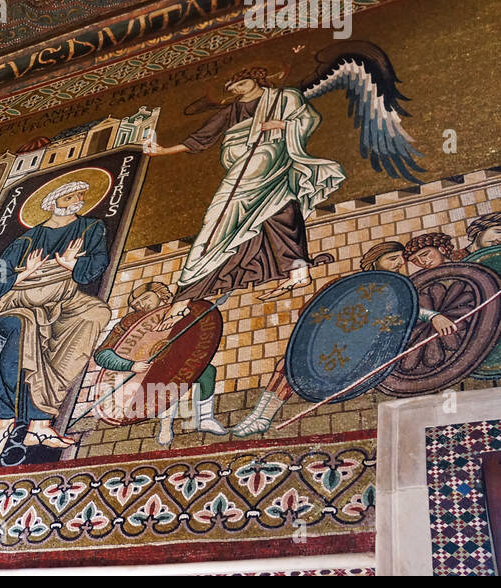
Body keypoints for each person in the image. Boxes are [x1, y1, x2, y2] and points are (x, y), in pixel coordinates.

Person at [0, 179, 110, 467]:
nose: (78, 199)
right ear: (53, 202)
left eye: (81, 194)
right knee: (19, 326)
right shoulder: (23, 242)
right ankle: (4, 424)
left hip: (64, 301)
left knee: (96, 313)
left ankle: (39, 426)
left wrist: (70, 265)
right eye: (70, 195)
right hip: (20, 303)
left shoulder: (91, 229)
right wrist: (25, 273)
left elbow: (96, 265)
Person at [144, 66, 345, 300]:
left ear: (257, 78)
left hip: (270, 155)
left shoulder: (283, 97)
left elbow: (308, 118)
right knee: (276, 207)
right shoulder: (232, 110)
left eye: (241, 83)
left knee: (230, 209)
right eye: (233, 88)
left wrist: (282, 125)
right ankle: (297, 273)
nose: (237, 90)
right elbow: (203, 136)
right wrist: (165, 150)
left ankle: (200, 270)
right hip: (241, 161)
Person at [231, 241, 458, 435]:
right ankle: (259, 416)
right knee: (286, 365)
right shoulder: (353, 286)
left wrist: (434, 317)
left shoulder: (398, 289)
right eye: (392, 259)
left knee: (293, 369)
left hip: (367, 350)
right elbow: (314, 312)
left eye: (401, 259)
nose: (399, 263)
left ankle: (262, 418)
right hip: (340, 341)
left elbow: (410, 309)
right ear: (375, 262)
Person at [91, 282, 225, 445]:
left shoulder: (182, 307)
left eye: (145, 298)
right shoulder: (130, 322)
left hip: (182, 357)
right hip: (147, 368)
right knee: (166, 384)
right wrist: (130, 365)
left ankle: (204, 418)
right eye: (137, 304)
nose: (142, 305)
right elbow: (103, 354)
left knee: (207, 372)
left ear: (160, 294)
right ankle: (166, 426)